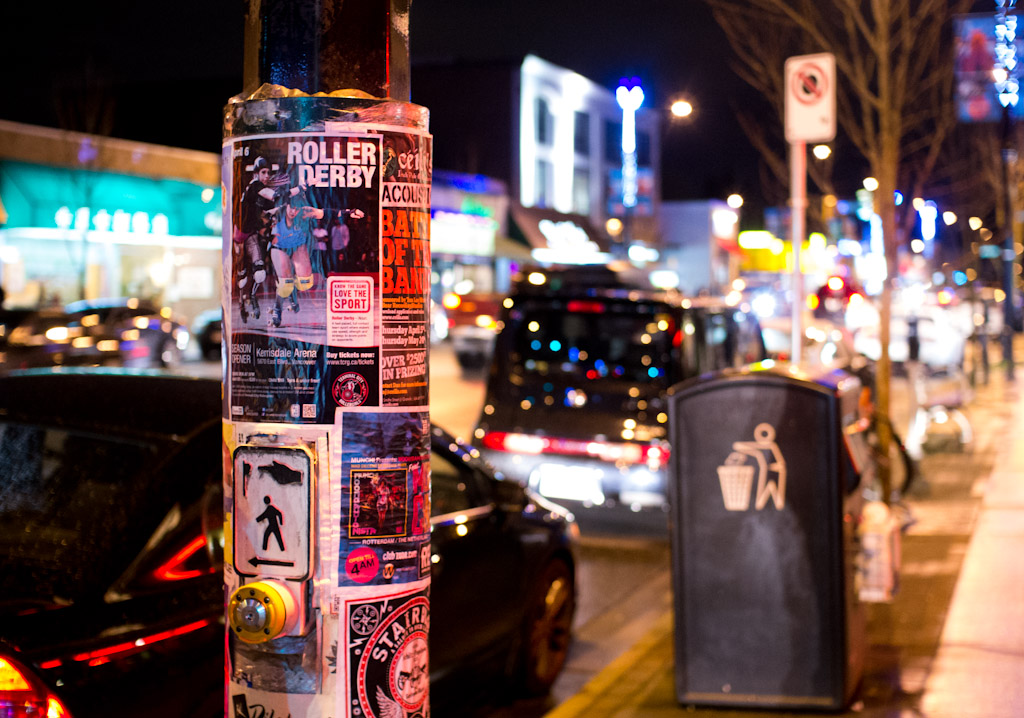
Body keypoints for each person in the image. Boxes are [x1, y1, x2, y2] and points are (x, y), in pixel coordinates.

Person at [235, 156, 303, 323]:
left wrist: (282, 208)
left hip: (252, 235)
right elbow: (277, 195)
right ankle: (243, 301)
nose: (266, 176)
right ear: (256, 173)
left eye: (268, 173)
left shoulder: (260, 192)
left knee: (259, 273)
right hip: (239, 236)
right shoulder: (255, 186)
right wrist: (301, 187)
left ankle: (252, 298)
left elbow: (272, 209)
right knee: (242, 278)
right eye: (263, 172)